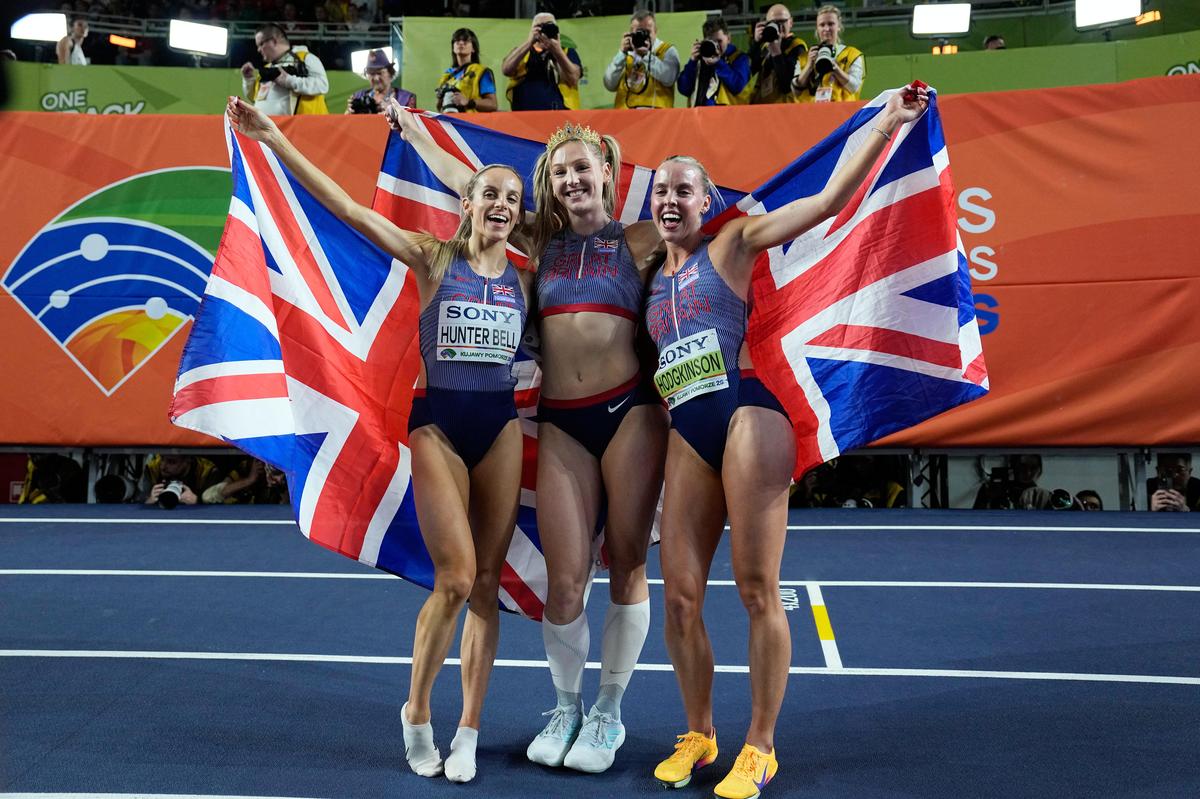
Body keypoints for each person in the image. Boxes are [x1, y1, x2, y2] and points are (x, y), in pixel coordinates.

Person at [229, 95, 534, 783]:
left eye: (512, 198)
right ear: (468, 200)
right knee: (454, 578)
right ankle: (418, 711)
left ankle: (469, 730)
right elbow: (348, 209)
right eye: (490, 192)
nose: (501, 204)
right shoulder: (432, 256)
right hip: (440, 429)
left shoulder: (525, 278)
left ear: (518, 211)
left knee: (486, 584)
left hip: (502, 429)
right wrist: (274, 137)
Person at [644, 86, 929, 798]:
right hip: (688, 429)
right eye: (660, 190)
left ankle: (761, 745)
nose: (671, 199)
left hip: (748, 414)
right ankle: (700, 733)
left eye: (685, 189)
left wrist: (887, 121)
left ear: (708, 200)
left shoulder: (733, 241)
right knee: (678, 597)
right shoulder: (651, 276)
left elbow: (830, 199)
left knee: (754, 587)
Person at [387, 111, 668, 774]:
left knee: (626, 561)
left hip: (631, 413)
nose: (573, 177)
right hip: (563, 420)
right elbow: (470, 182)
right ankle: (567, 704)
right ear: (551, 181)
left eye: (582, 166)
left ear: (607, 170)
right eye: (561, 170)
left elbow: (730, 233)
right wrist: (413, 132)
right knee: (565, 579)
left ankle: (608, 711)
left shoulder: (643, 238)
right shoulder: (539, 242)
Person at [239, 24, 329, 116]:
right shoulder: (268, 68)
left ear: (273, 41)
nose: (258, 50)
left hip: (300, 127)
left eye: (261, 44)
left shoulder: (306, 58)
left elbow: (322, 85)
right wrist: (248, 79)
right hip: (268, 128)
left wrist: (288, 80)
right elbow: (254, 97)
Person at [502, 12, 582, 111]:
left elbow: (573, 78)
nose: (543, 29)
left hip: (560, 115)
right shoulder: (522, 51)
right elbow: (506, 70)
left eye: (548, 25)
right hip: (524, 116)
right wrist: (529, 42)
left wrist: (557, 51)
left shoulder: (566, 51)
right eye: (539, 26)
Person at [603, 9, 680, 110]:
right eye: (638, 32)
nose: (643, 36)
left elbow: (669, 79)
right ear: (631, 33)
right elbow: (609, 84)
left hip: (656, 117)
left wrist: (646, 55)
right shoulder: (626, 53)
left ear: (656, 31)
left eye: (647, 32)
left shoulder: (667, 50)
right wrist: (621, 54)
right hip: (624, 117)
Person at [792, 5, 865, 104]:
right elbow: (795, 90)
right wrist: (809, 66)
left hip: (844, 112)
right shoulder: (805, 57)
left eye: (831, 24)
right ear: (817, 28)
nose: (826, 29)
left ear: (839, 26)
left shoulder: (852, 55)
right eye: (822, 25)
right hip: (810, 113)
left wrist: (835, 68)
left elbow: (854, 87)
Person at [678, 16, 751, 107]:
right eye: (712, 42)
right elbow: (684, 89)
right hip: (700, 117)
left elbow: (737, 86)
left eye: (719, 41)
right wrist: (692, 61)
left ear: (728, 38)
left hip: (728, 117)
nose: (716, 46)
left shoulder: (740, 58)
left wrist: (718, 63)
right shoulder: (700, 60)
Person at [749, 4, 805, 105]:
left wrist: (776, 53)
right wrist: (756, 43)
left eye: (782, 21)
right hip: (762, 108)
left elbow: (787, 86)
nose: (779, 26)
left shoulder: (797, 46)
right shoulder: (765, 46)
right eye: (773, 23)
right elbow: (748, 72)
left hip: (784, 110)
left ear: (791, 22)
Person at [433, 28, 498, 114]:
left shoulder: (481, 72)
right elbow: (439, 107)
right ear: (453, 48)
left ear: (473, 48)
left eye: (465, 41)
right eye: (457, 41)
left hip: (472, 123)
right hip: (449, 122)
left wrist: (468, 101)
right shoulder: (447, 75)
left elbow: (493, 104)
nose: (460, 43)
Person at [345, 48, 414, 114]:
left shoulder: (406, 98)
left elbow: (411, 124)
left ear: (390, 73)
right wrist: (349, 113)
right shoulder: (358, 96)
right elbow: (346, 124)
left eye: (380, 73)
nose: (376, 78)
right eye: (371, 73)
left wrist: (392, 114)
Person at [142, 453, 224, 508]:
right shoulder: (153, 468)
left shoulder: (207, 471)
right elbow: (139, 501)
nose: (163, 466)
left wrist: (198, 500)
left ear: (188, 460)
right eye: (162, 459)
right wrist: (149, 500)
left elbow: (218, 505)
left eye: (171, 462)